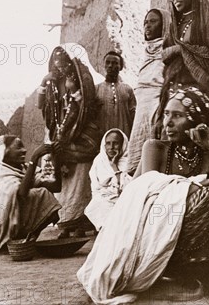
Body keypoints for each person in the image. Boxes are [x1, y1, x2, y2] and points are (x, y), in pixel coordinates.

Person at [77, 87, 209, 304]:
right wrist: (205, 182)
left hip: (178, 239)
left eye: (177, 116)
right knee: (207, 195)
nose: (168, 122)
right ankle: (157, 275)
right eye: (167, 114)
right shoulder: (155, 148)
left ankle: (178, 273)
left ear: (197, 122)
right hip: (144, 233)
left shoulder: (207, 157)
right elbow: (150, 194)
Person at [153, 0, 209, 139]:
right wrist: (161, 113)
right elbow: (167, 70)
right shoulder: (174, 27)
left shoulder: (207, 18)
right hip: (173, 102)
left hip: (199, 102)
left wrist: (181, 49)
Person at [37, 43, 101, 238]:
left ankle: (81, 223)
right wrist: (44, 82)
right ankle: (66, 222)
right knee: (64, 184)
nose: (60, 68)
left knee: (81, 184)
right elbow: (43, 107)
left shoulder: (82, 80)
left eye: (64, 64)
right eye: (57, 65)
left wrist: (65, 138)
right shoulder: (53, 82)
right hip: (61, 138)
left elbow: (81, 111)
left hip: (82, 137)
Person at [0, 135, 61, 252]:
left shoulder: (24, 168)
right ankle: (6, 240)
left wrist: (56, 159)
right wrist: (34, 158)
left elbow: (55, 187)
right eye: (18, 147)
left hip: (9, 222)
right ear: (3, 153)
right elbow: (21, 193)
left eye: (23, 147)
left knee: (45, 195)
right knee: (40, 194)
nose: (24, 150)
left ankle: (22, 239)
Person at [127, 8, 171, 174]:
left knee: (155, 150)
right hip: (142, 108)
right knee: (137, 152)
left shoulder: (169, 51)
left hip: (157, 105)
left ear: (164, 25)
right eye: (146, 22)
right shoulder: (146, 52)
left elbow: (168, 84)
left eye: (153, 21)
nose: (148, 25)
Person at [84, 129, 131, 231]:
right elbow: (96, 188)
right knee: (97, 205)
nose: (111, 147)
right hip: (104, 200)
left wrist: (114, 166)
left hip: (124, 200)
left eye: (116, 143)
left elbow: (128, 188)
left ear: (123, 144)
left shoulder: (129, 161)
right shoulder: (99, 161)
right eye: (108, 144)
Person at [95, 51, 137, 138]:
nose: (110, 65)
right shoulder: (96, 89)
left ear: (120, 67)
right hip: (101, 137)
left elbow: (133, 115)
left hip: (124, 136)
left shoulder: (128, 89)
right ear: (104, 65)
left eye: (115, 63)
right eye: (108, 62)